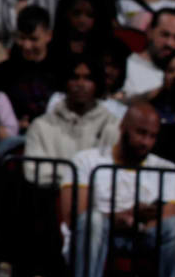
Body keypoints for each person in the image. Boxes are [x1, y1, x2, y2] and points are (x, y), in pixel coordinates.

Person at [66, 101, 175, 277]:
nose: (146, 142)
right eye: (141, 133)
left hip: (143, 239)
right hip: (100, 234)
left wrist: (134, 221)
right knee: (93, 222)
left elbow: (168, 218)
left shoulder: (167, 169)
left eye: (152, 136)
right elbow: (74, 213)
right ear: (123, 127)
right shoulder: (85, 161)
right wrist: (123, 216)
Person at [22, 56, 117, 186]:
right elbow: (33, 171)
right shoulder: (41, 126)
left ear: (97, 83)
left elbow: (114, 175)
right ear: (65, 82)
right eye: (74, 78)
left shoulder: (113, 125)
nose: (80, 84)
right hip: (49, 199)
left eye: (88, 78)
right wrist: (77, 180)